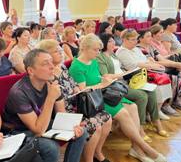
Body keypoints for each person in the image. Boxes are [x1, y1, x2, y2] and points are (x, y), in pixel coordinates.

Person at [70, 34, 167, 162]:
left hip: (102, 94)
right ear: (85, 49)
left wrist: (113, 77)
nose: (98, 52)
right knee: (124, 114)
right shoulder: (77, 66)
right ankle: (146, 148)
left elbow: (99, 78)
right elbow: (84, 92)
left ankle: (136, 149)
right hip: (94, 100)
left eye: (99, 49)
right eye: (95, 49)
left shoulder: (92, 61)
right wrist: (103, 84)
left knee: (133, 106)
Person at [4, 49, 87, 162]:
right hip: (19, 131)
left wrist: (71, 127)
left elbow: (61, 114)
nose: (52, 66)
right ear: (31, 70)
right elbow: (38, 130)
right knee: (50, 147)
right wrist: (50, 98)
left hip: (43, 122)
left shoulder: (51, 82)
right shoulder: (19, 92)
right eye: (45, 63)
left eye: (51, 62)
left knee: (81, 131)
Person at [36, 39, 112, 162]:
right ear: (47, 56)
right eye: (56, 51)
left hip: (76, 105)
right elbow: (56, 102)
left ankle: (97, 153)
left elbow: (74, 85)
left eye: (60, 50)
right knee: (96, 126)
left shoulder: (61, 67)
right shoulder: (48, 75)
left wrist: (76, 89)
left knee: (107, 117)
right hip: (63, 112)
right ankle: (88, 159)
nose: (61, 53)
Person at [115, 29, 169, 138]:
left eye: (136, 39)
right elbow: (133, 65)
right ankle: (140, 127)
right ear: (124, 40)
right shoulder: (122, 52)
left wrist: (148, 63)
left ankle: (156, 121)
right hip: (129, 81)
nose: (136, 41)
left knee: (152, 91)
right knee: (143, 96)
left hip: (139, 79)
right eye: (133, 39)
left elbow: (144, 61)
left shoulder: (135, 49)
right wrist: (150, 65)